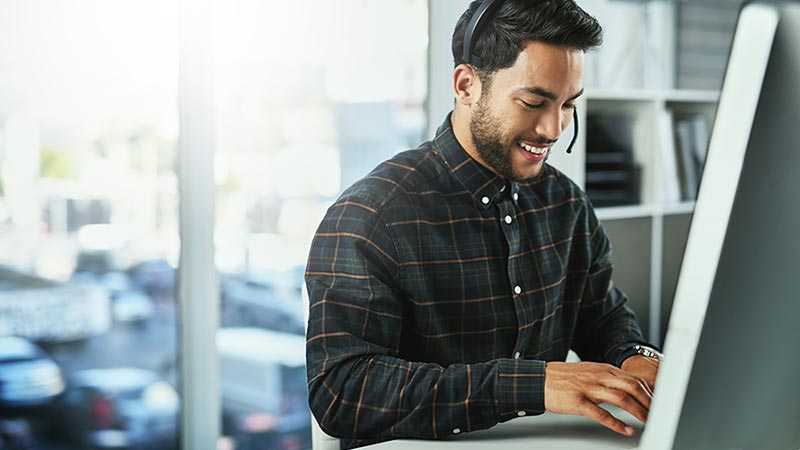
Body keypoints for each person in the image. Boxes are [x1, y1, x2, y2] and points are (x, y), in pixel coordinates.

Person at [305, 1, 662, 448]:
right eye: (534, 102)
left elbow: (601, 318)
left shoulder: (566, 205)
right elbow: (342, 392)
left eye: (568, 104)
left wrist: (635, 358)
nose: (553, 128)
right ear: (467, 85)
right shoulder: (372, 215)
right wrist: (533, 384)